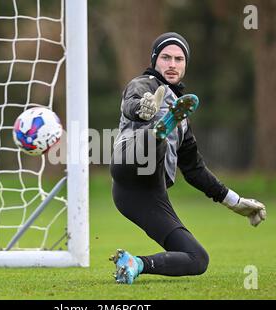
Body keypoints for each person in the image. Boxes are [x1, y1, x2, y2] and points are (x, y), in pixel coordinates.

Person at [109, 32, 267, 285]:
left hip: (146, 194)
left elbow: (194, 170)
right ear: (154, 60)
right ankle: (156, 133)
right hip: (128, 165)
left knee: (197, 258)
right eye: (166, 58)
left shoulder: (182, 120)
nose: (172, 64)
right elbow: (131, 102)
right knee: (153, 142)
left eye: (179, 59)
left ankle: (135, 263)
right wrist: (142, 108)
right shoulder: (143, 84)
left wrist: (235, 202)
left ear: (185, 65)